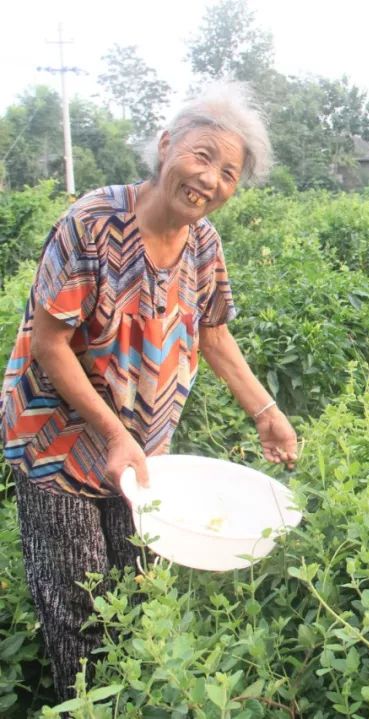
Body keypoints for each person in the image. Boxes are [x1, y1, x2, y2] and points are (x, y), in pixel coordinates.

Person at [0, 82, 298, 701]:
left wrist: (266, 412)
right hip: (57, 443)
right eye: (202, 156)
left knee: (137, 600)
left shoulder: (202, 244)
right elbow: (49, 345)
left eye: (228, 172)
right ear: (166, 147)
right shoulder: (91, 224)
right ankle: (83, 705)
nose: (210, 179)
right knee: (81, 612)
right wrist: (111, 433)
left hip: (144, 453)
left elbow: (212, 334)